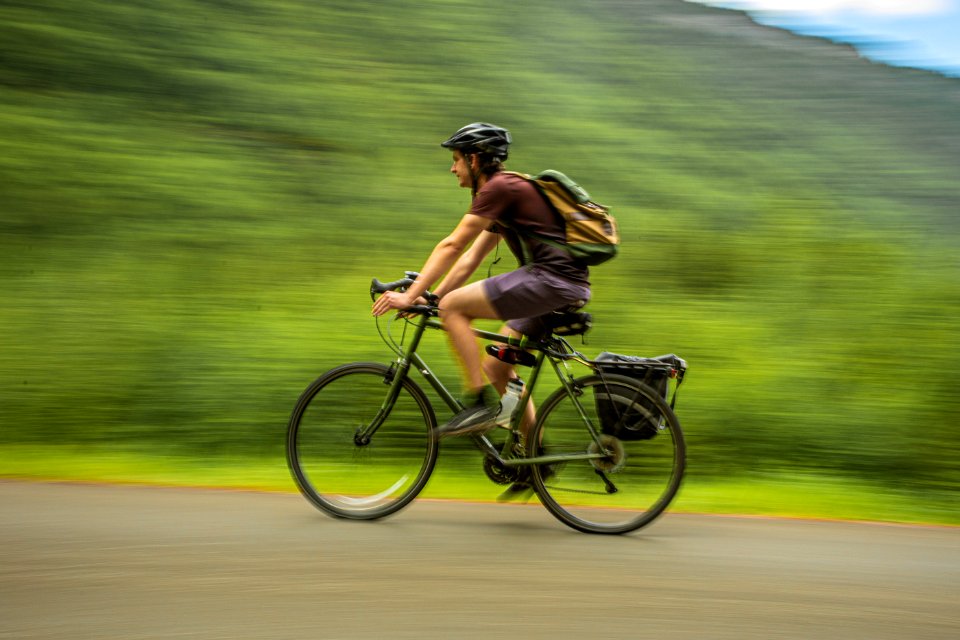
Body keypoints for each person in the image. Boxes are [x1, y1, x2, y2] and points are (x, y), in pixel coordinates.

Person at [371, 122, 591, 443]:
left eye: (456, 160)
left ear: (474, 160)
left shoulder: (499, 189)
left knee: (454, 308)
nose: (452, 168)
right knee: (497, 367)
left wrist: (410, 297)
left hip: (551, 281)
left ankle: (476, 404)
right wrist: (431, 298)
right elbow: (470, 258)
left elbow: (452, 245)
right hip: (558, 285)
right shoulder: (506, 193)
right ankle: (537, 458)